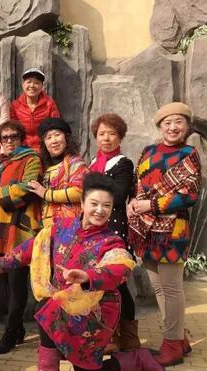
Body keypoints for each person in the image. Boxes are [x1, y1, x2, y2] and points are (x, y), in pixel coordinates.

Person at [0, 173, 165, 371]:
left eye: (106, 206)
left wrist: (87, 276)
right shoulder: (61, 227)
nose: (100, 210)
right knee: (51, 308)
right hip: (65, 306)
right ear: (83, 203)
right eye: (94, 204)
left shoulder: (111, 241)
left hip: (95, 312)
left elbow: (121, 268)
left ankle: (135, 359)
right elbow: (33, 247)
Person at [128, 102, 201, 367]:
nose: (173, 127)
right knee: (158, 286)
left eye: (179, 122)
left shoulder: (189, 154)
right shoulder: (148, 151)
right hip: (146, 230)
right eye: (167, 123)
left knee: (171, 288)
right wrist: (132, 203)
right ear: (160, 126)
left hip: (173, 231)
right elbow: (137, 183)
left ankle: (172, 344)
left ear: (187, 126)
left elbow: (189, 196)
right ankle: (179, 338)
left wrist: (151, 205)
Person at [0, 120, 42, 354]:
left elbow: (29, 187)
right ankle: (17, 329)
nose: (9, 141)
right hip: (1, 227)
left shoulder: (31, 158)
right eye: (4, 138)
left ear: (21, 138)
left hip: (20, 227)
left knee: (16, 281)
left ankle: (10, 331)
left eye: (13, 136)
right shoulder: (1, 163)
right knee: (7, 282)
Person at [89, 113, 140, 353]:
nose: (106, 138)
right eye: (102, 134)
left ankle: (129, 337)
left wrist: (94, 188)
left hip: (115, 230)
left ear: (120, 137)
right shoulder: (93, 162)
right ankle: (108, 335)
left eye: (112, 134)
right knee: (99, 283)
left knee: (118, 283)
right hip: (94, 230)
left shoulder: (123, 163)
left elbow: (118, 196)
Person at [27, 117, 88, 228]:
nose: (54, 141)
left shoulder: (75, 162)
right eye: (48, 137)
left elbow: (80, 191)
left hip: (70, 227)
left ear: (66, 138)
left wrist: (47, 194)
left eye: (57, 135)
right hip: (46, 228)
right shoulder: (43, 167)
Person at [10, 68, 60, 153]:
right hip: (21, 149)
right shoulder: (15, 105)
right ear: (23, 84)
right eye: (29, 82)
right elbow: (12, 130)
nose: (32, 85)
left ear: (42, 86)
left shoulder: (50, 104)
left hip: (44, 149)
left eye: (36, 83)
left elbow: (55, 127)